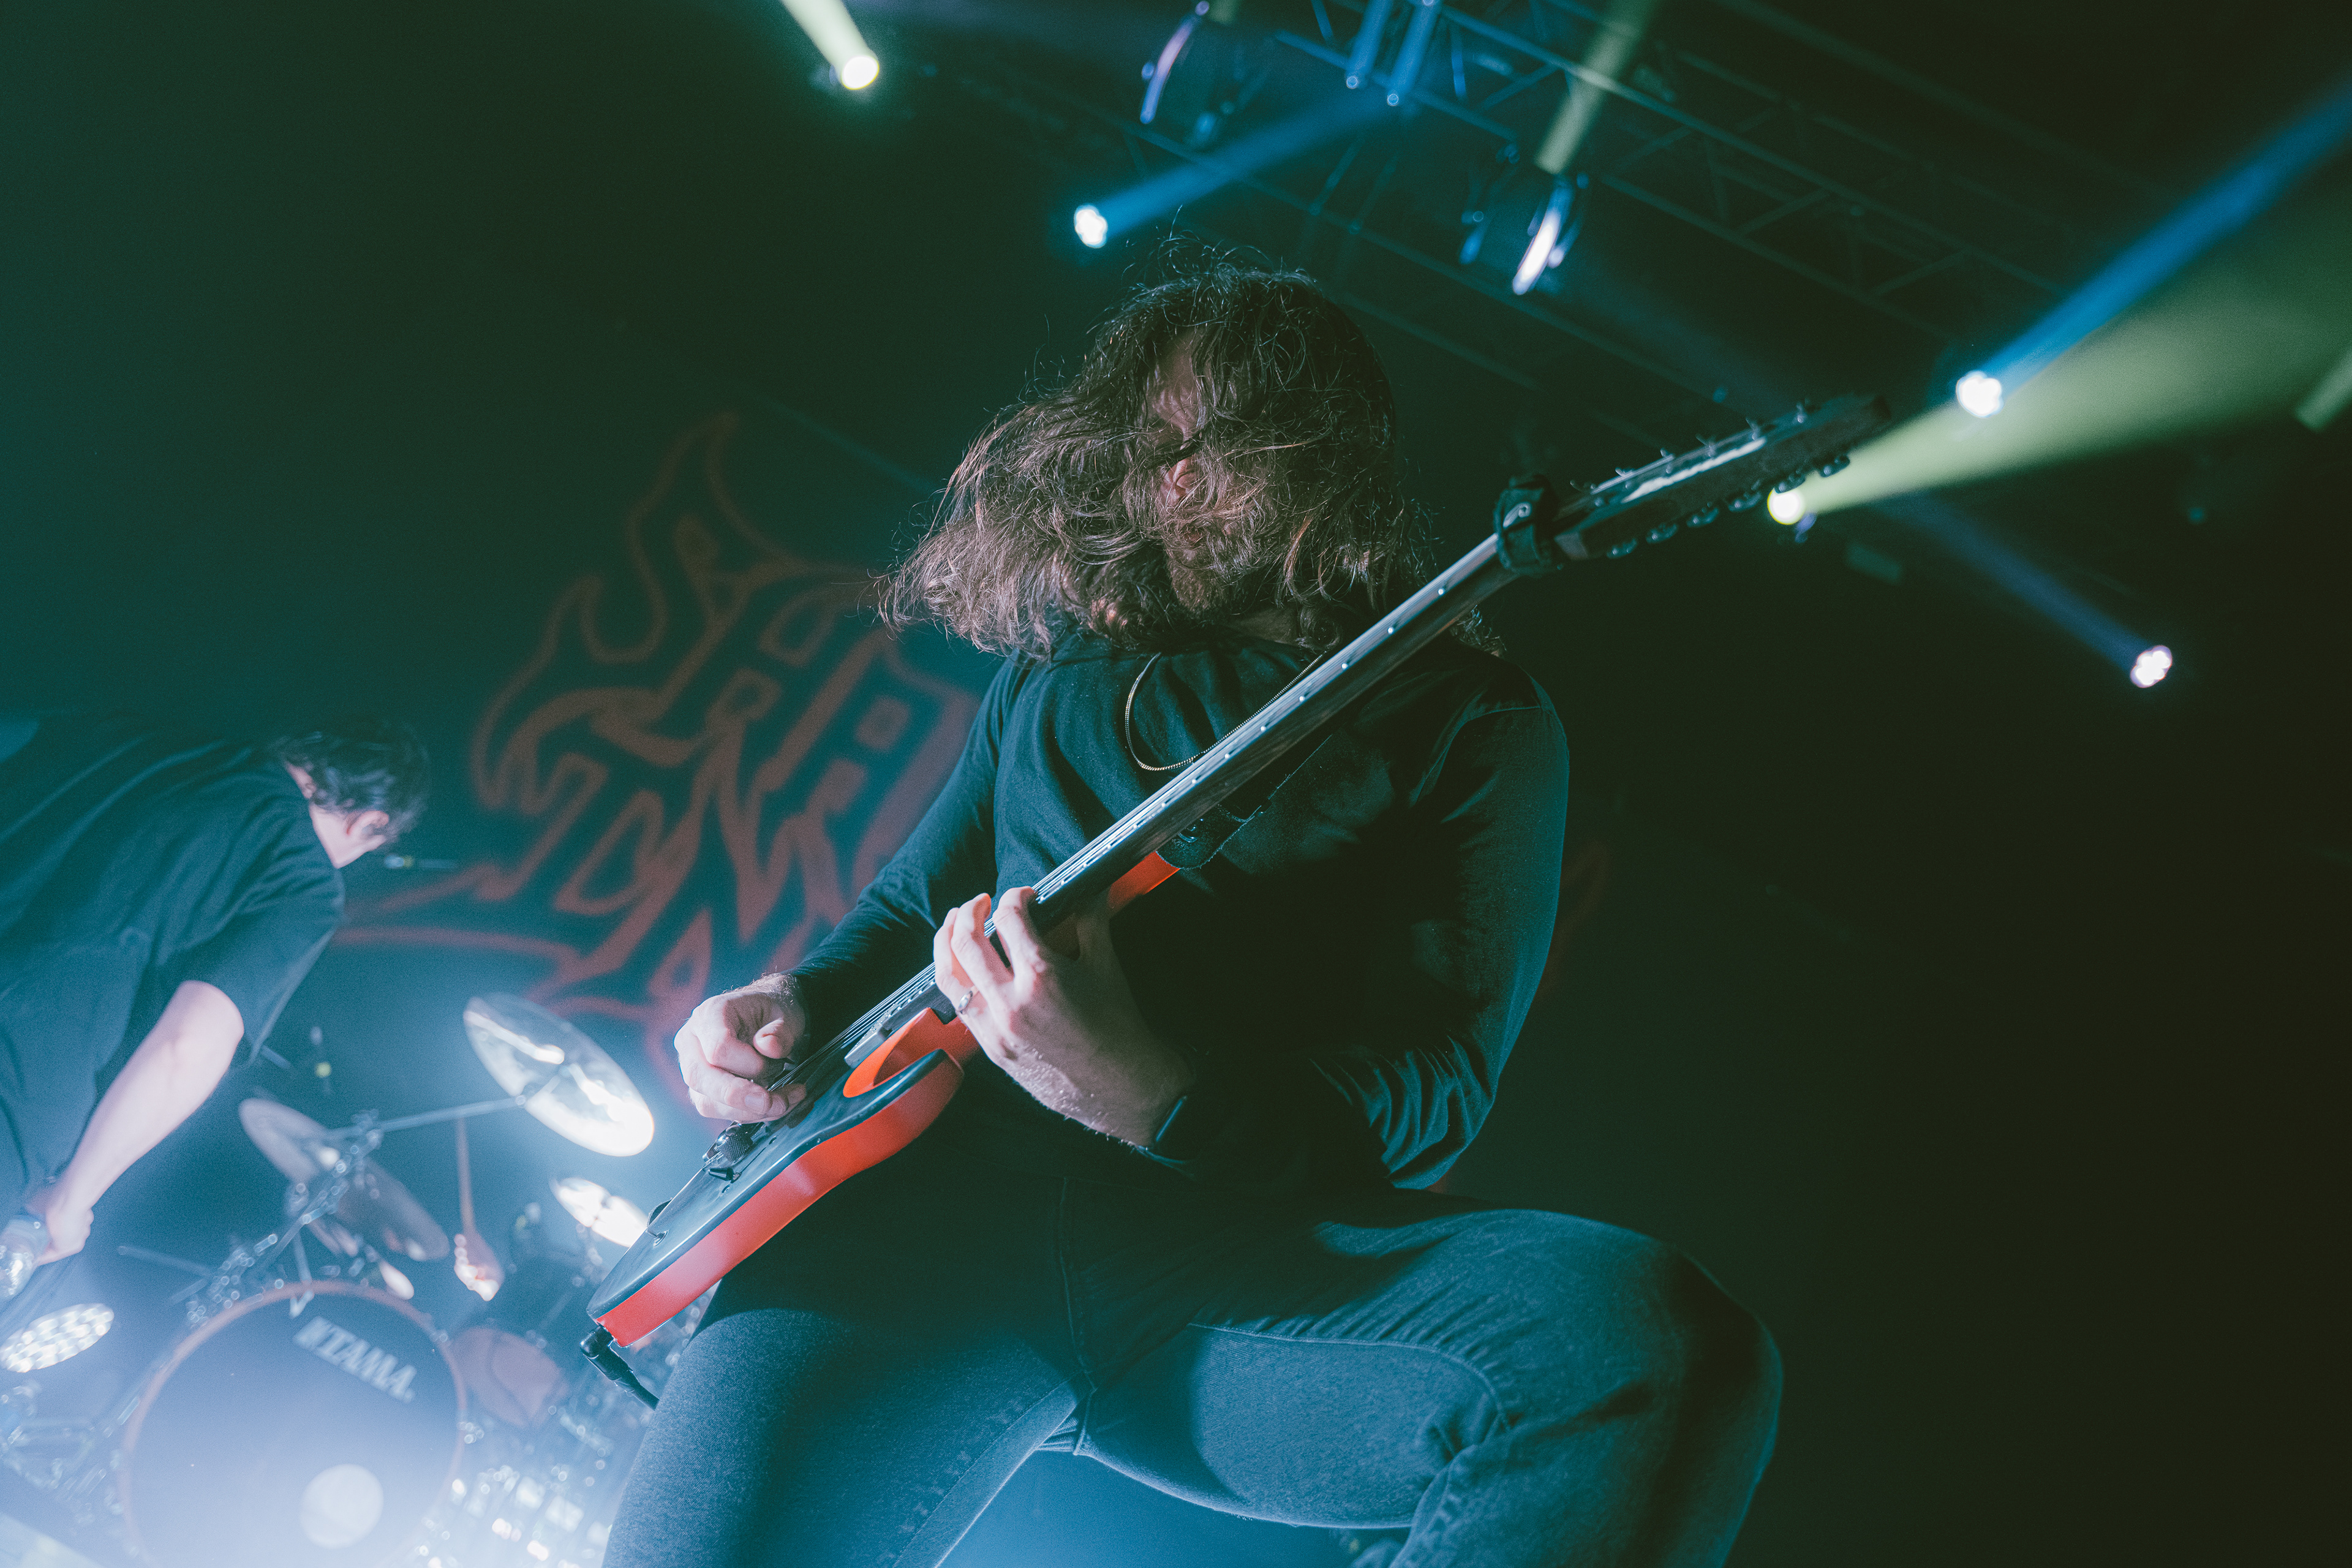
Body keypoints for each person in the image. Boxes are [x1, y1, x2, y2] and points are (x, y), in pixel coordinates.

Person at [609, 265, 1780, 1567]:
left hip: (1217, 1265)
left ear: (1316, 457)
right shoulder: (1058, 665)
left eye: (1209, 445)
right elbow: (907, 910)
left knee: (1646, 1348)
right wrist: (783, 1006)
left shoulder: (1468, 719)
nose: (1169, 479)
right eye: (1151, 444)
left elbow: (1438, 1082)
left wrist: (1151, 1088)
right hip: (919, 1228)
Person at [0, 711, 428, 1266]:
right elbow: (189, 1045)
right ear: (369, 823)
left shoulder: (139, 737)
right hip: (21, 1079)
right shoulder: (305, 880)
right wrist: (72, 1197)